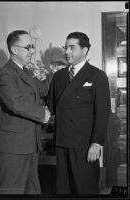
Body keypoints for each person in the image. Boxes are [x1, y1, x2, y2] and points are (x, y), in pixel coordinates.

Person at [47, 32, 111, 194]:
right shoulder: (58, 76)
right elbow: (50, 106)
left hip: (85, 144)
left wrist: (96, 143)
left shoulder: (97, 75)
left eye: (72, 47)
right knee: (64, 189)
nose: (67, 52)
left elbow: (102, 112)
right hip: (62, 142)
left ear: (84, 50)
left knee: (86, 189)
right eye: (65, 47)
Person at [0, 30, 51, 194]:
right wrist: (43, 114)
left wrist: (56, 72)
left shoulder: (26, 71)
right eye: (28, 47)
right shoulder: (5, 72)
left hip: (30, 142)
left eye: (32, 46)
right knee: (11, 189)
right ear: (14, 49)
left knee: (31, 189)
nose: (32, 51)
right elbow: (15, 103)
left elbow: (41, 90)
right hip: (14, 144)